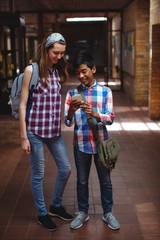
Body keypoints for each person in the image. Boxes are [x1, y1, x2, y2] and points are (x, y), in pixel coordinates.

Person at [19, 33, 73, 231]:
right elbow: (23, 106)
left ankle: (56, 206)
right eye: (55, 52)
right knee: (38, 174)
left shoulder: (57, 71)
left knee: (66, 169)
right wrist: (24, 137)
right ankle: (42, 214)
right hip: (34, 131)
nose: (59, 56)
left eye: (62, 53)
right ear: (46, 49)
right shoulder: (30, 70)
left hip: (53, 132)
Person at [64, 51, 120, 230]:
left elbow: (110, 118)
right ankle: (82, 212)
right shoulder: (73, 93)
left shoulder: (106, 92)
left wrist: (96, 114)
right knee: (81, 181)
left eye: (84, 71)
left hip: (101, 143)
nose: (81, 76)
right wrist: (71, 111)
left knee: (106, 181)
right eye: (78, 73)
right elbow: (67, 121)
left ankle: (108, 213)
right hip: (80, 144)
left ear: (93, 69)